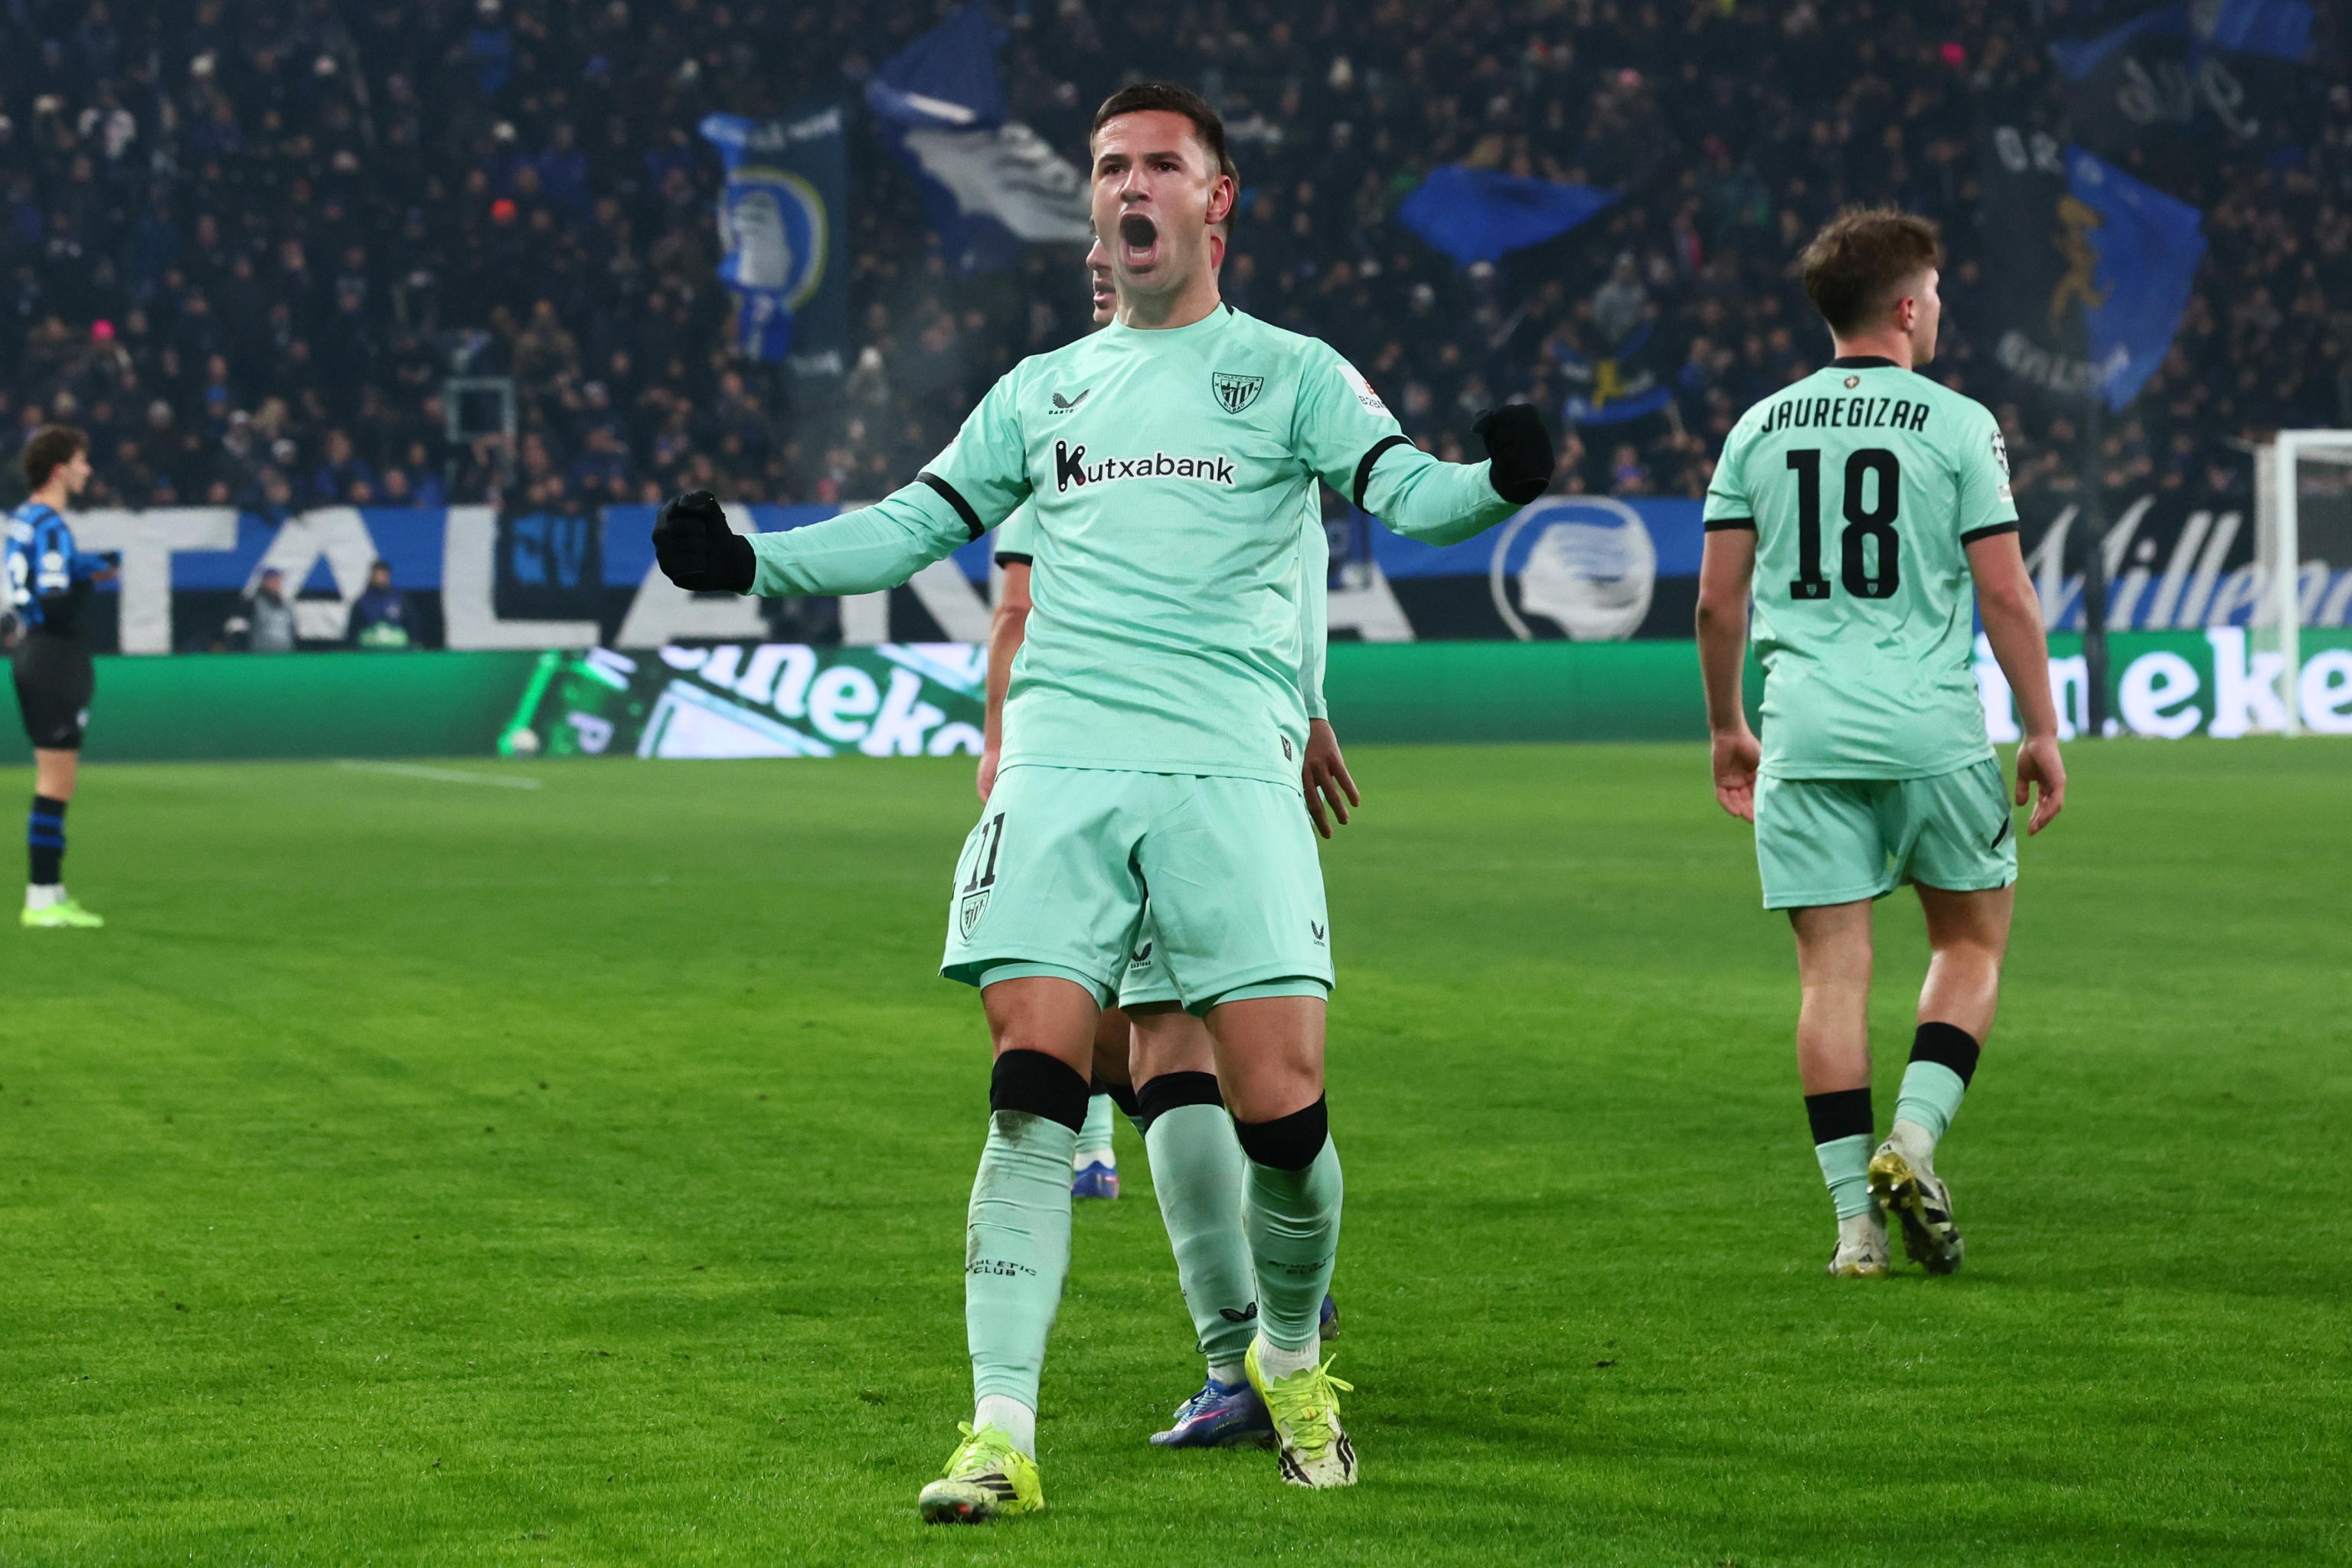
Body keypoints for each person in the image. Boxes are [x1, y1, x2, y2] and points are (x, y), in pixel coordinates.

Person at [652, 82, 1552, 1514]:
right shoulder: (1039, 388)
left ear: (1215, 199)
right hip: (1064, 766)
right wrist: (748, 556)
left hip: (1222, 771)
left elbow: (1412, 494)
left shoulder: (1294, 372)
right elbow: (907, 523)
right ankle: (999, 1429)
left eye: (1158, 167)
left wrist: (1498, 479)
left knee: (1288, 1117)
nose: (1128, 188)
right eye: (1108, 167)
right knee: (1030, 1089)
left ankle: (1283, 1345)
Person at [981, 233, 1352, 1452]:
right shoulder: (1256, 404)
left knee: (1157, 1040)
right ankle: (1263, 1334)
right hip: (1232, 748)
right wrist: (1303, 706)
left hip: (1146, 755)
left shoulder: (1105, 417)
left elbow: (1023, 609)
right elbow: (1294, 575)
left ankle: (1240, 1342)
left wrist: (1006, 753)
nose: (1107, 261)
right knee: (1181, 1040)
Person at [1694, 207, 2066, 1281]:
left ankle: (1854, 1230)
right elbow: (2005, 590)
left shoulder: (1757, 428)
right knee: (1970, 944)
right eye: (1937, 293)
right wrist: (2041, 728)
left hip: (1804, 734)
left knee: (1830, 979)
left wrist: (1728, 726)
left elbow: (1720, 604)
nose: (1940, 309)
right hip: (1930, 731)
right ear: (1908, 308)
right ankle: (1913, 1138)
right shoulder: (1957, 424)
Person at [5, 426, 116, 929]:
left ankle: (49, 893)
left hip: (34, 654)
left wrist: (88, 567)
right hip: (53, 657)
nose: (86, 470)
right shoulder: (51, 524)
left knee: (57, 780)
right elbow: (52, 598)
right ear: (59, 469)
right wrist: (83, 583)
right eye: (81, 460)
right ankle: (42, 898)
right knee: (56, 781)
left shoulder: (23, 521)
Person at [346, 560, 413, 649]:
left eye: (383, 575)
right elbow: (353, 628)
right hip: (370, 648)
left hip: (397, 648)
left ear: (388, 576)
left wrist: (415, 642)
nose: (380, 578)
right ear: (371, 576)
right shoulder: (362, 601)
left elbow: (412, 622)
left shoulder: (399, 599)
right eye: (377, 574)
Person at [244, 567, 297, 653]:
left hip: (285, 651)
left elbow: (292, 627)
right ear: (265, 582)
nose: (277, 583)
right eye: (273, 580)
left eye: (279, 580)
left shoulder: (286, 603)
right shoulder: (253, 602)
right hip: (261, 652)